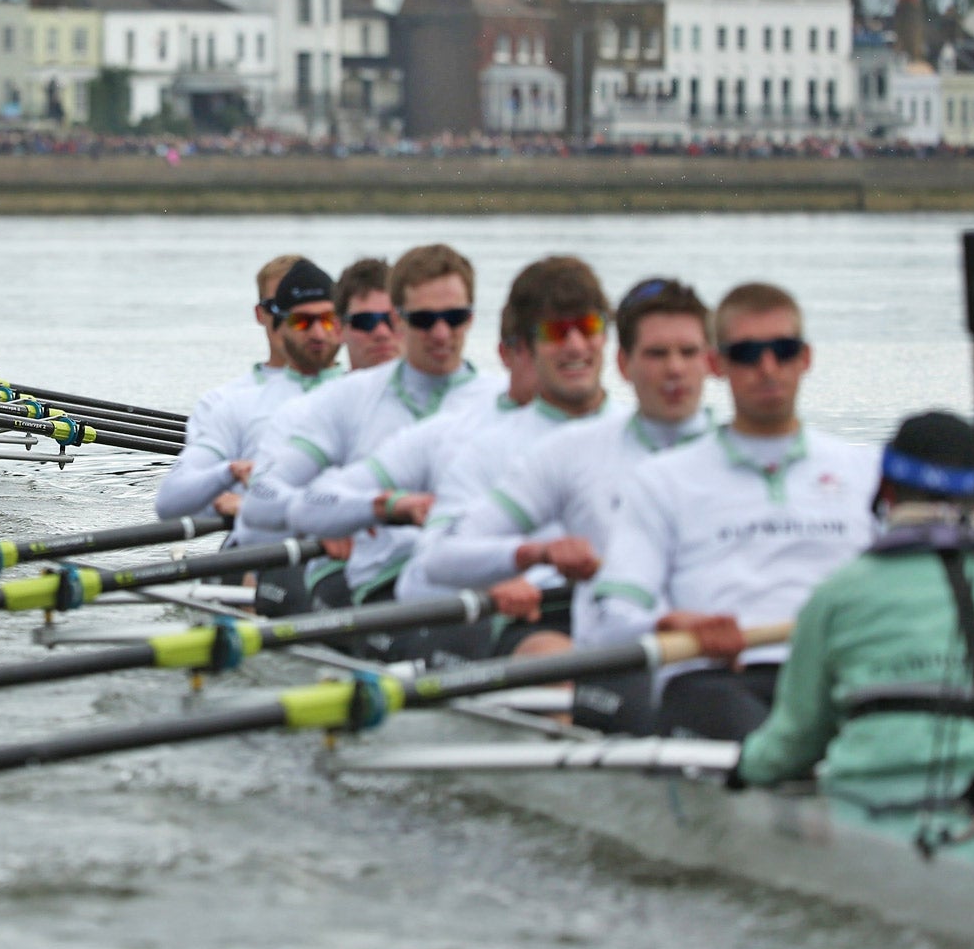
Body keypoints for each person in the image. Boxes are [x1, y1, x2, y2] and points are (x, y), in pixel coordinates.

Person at [735, 411, 974, 819]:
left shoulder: (834, 595)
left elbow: (796, 738)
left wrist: (743, 769)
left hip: (868, 810)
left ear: (886, 491)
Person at [407, 277, 719, 727]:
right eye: (556, 333)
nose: (574, 346)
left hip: (691, 627)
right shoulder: (502, 445)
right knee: (557, 665)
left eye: (586, 328)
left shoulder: (722, 451)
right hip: (550, 622)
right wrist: (519, 560)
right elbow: (426, 569)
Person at [586, 281, 880, 741]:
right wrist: (672, 622)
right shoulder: (663, 479)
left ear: (805, 359)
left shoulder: (864, 470)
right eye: (747, 354)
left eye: (783, 351)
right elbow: (614, 617)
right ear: (717, 364)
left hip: (841, 677)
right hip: (717, 680)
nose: (767, 369)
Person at [290, 255, 613, 606]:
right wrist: (380, 506)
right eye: (556, 335)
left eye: (455, 318)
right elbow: (308, 505)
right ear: (510, 352)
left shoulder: (631, 434)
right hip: (412, 590)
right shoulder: (459, 436)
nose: (574, 349)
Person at [232, 244, 484, 609]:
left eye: (454, 317)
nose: (381, 333)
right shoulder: (320, 407)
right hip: (354, 573)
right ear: (343, 329)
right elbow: (259, 507)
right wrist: (336, 517)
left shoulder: (493, 401)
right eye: (366, 323)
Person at [155, 257, 343, 521]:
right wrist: (229, 478)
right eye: (298, 316)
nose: (315, 332)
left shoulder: (364, 391)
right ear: (264, 314)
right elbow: (174, 503)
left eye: (324, 318)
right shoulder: (223, 402)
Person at [333, 257, 403, 371]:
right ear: (338, 329)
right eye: (365, 321)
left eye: (393, 319)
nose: (382, 333)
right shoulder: (326, 389)